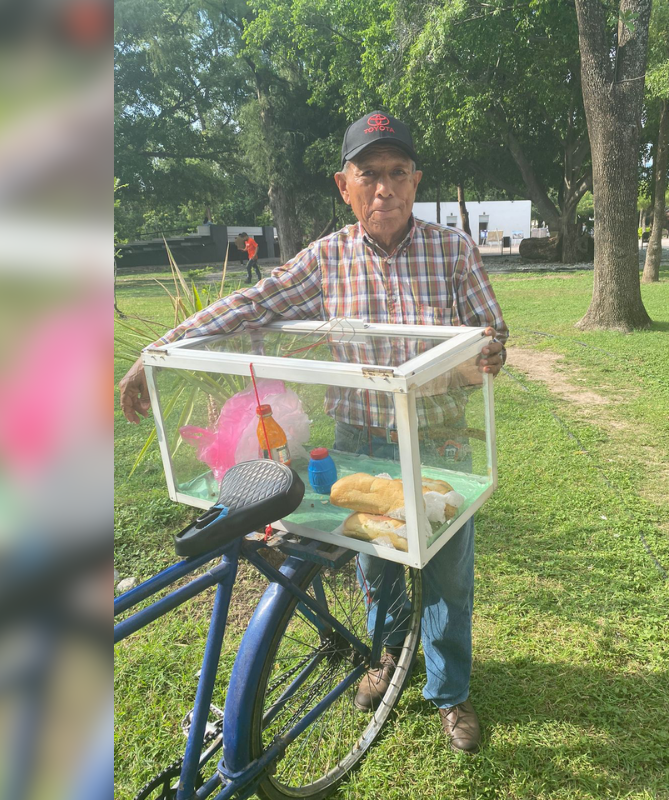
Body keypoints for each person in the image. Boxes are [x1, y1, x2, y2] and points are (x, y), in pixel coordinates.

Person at [118, 110, 506, 755]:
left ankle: (449, 690)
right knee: (374, 564)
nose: (385, 188)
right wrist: (158, 349)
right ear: (343, 185)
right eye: (369, 175)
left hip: (441, 445)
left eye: (397, 173)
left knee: (446, 572)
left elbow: (491, 332)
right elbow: (252, 303)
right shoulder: (326, 260)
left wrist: (484, 355)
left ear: (416, 180)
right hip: (363, 443)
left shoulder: (453, 250)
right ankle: (385, 658)